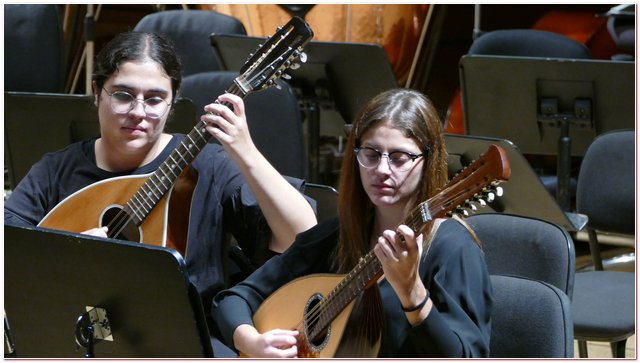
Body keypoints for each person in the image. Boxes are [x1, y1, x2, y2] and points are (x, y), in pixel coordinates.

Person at [4, 31, 317, 355]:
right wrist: (75, 253)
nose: (139, 112)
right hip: (77, 337)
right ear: (97, 92)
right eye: (123, 95)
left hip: (186, 343)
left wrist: (245, 151)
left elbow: (302, 236)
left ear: (172, 102)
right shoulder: (57, 170)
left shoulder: (208, 165)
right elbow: (9, 247)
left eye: (154, 99)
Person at [212, 88, 493, 358]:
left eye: (399, 158)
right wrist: (253, 341)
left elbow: (466, 356)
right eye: (371, 154)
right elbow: (235, 298)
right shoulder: (338, 236)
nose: (382, 170)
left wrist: (412, 293)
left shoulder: (453, 249)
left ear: (428, 161)